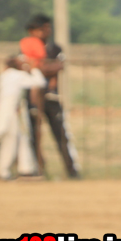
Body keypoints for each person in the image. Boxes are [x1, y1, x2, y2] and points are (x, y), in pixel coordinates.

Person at [20, 14, 80, 178]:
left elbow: (58, 66)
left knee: (60, 133)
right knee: (34, 134)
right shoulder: (26, 45)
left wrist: (39, 67)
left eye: (47, 27)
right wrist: (45, 67)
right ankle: (39, 169)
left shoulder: (54, 48)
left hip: (51, 96)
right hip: (32, 97)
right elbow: (24, 66)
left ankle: (72, 170)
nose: (45, 31)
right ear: (32, 31)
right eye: (41, 29)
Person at [0, 54, 45, 180]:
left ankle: (25, 169)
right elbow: (40, 82)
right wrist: (33, 69)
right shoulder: (16, 75)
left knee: (22, 138)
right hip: (9, 113)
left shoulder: (6, 74)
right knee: (10, 141)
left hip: (14, 112)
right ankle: (3, 171)